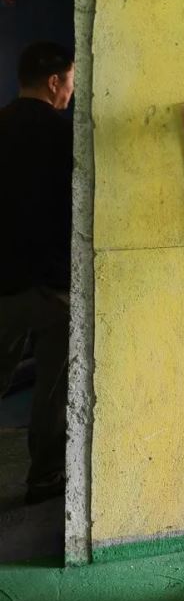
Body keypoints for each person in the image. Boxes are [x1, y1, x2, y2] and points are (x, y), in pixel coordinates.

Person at [0, 41, 74, 504]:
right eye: (70, 82)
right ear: (53, 82)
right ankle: (45, 475)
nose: (70, 92)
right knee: (52, 389)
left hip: (2, 284)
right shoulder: (67, 136)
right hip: (52, 289)